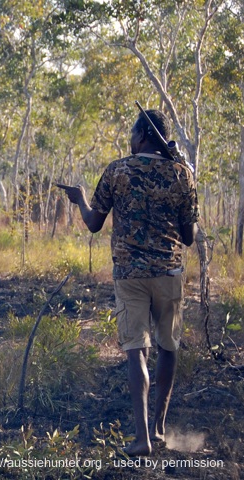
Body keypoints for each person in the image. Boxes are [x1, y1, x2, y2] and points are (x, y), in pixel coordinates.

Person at [57, 108, 198, 456]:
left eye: (133, 134)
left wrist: (79, 200)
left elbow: (93, 223)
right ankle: (160, 428)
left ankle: (142, 439)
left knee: (136, 351)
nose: (130, 140)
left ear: (142, 136)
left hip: (130, 276)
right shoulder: (182, 174)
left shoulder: (118, 170)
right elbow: (190, 236)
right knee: (168, 347)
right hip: (169, 273)